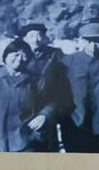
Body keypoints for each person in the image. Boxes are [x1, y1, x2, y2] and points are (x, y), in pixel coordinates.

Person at [0, 39, 52, 152]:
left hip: (28, 141)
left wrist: (44, 115)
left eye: (24, 55)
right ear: (6, 56)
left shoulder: (36, 80)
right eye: (16, 54)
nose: (19, 59)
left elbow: (51, 101)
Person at [61, 23, 99, 153]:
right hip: (75, 123)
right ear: (80, 40)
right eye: (89, 41)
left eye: (97, 41)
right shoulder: (67, 62)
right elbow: (59, 92)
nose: (93, 46)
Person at [18, 23, 73, 152]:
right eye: (31, 36)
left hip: (51, 103)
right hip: (26, 103)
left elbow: (65, 79)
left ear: (44, 37)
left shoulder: (55, 54)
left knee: (50, 143)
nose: (35, 40)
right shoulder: (19, 55)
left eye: (39, 36)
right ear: (24, 39)